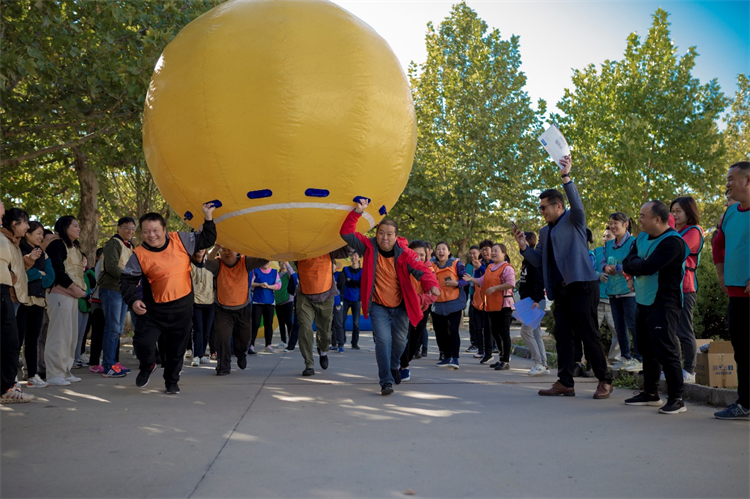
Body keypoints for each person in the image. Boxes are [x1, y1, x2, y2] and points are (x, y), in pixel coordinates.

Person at [513, 155, 612, 399]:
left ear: (558, 206)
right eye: (540, 208)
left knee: (589, 334)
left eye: (544, 207)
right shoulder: (544, 232)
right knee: (563, 335)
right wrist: (524, 247)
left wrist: (566, 177)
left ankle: (605, 379)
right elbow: (538, 261)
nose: (541, 211)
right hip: (561, 290)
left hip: (583, 285)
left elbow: (576, 204)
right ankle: (565, 382)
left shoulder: (574, 219)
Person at [340, 198, 440, 395]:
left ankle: (395, 365)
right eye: (381, 233)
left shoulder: (405, 254)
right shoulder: (368, 247)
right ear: (376, 234)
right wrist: (358, 212)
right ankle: (385, 381)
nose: (384, 238)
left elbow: (422, 270)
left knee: (400, 342)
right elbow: (346, 233)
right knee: (383, 342)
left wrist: (432, 285)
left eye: (389, 234)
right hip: (378, 306)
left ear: (396, 237)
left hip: (401, 306)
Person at [120, 204, 217, 393]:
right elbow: (126, 281)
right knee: (143, 344)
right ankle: (148, 365)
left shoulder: (180, 239)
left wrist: (207, 216)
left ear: (164, 229)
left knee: (176, 351)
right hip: (153, 312)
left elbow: (207, 238)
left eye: (156, 230)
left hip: (182, 310)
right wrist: (133, 300)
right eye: (146, 231)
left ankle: (171, 382)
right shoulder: (139, 254)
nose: (151, 235)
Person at [622, 200, 689, 415]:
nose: (639, 219)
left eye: (643, 216)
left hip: (664, 302)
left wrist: (637, 265)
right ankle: (650, 393)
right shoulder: (641, 237)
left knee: (666, 349)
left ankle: (677, 398)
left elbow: (649, 267)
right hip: (643, 299)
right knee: (645, 348)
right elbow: (627, 262)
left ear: (657, 219)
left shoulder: (673, 242)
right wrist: (637, 265)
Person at [712, 161, 750, 420]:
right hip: (737, 295)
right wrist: (722, 274)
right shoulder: (731, 213)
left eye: (731, 178)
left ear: (747, 181)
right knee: (743, 351)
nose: (726, 183)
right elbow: (717, 244)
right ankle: (745, 403)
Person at [205, 244, 267, 375]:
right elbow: (207, 262)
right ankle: (223, 366)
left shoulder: (246, 262)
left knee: (244, 339)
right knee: (223, 338)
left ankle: (241, 353)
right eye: (223, 250)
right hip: (223, 310)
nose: (226, 253)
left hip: (243, 308)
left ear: (237, 252)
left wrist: (246, 247)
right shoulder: (217, 264)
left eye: (229, 250)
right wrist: (216, 247)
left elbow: (265, 260)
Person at [293, 246, 351, 377]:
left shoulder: (328, 247)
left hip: (326, 296)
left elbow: (347, 250)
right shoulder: (300, 248)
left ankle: (323, 351)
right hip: (305, 296)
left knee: (325, 332)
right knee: (305, 328)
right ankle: (309, 364)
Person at [45, 215, 87, 386]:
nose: (78, 229)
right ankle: (54, 373)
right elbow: (57, 270)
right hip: (61, 293)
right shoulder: (56, 244)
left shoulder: (74, 247)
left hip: (73, 295)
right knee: (59, 335)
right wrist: (72, 287)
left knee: (70, 336)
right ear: (65, 227)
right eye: (75, 226)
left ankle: (65, 370)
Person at [0, 205, 35, 403]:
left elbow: (14, 265)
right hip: (7, 294)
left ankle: (7, 386)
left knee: (11, 342)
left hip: (8, 293)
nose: (27, 227)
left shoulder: (12, 241)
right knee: (10, 342)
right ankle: (8, 386)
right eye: (25, 223)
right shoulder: (4, 238)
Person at [466, 243, 515, 370]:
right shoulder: (490, 267)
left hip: (504, 305)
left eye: (496, 251)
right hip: (491, 305)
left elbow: (510, 284)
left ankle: (505, 361)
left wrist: (495, 288)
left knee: (504, 333)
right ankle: (500, 357)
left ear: (503, 253)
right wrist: (471, 278)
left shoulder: (507, 268)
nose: (493, 253)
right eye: (492, 251)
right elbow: (481, 281)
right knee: (495, 333)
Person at [670, 196, 703, 384]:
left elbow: (677, 251)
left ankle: (689, 370)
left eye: (678, 211)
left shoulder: (694, 231)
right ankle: (673, 368)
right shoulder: (673, 232)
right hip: (670, 287)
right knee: (670, 331)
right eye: (672, 211)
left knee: (684, 330)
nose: (674, 214)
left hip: (686, 287)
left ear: (688, 212)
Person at [602, 212, 641, 373]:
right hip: (613, 291)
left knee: (634, 325)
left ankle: (639, 358)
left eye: (616, 223)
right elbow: (603, 260)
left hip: (629, 291)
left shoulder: (633, 242)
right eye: (611, 223)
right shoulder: (609, 244)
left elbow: (634, 263)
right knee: (619, 327)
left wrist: (617, 268)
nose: (612, 226)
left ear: (626, 224)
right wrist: (605, 267)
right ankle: (625, 357)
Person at [17, 221, 54, 388]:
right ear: (28, 234)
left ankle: (33, 375)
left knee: (33, 339)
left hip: (39, 301)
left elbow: (50, 277)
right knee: (16, 340)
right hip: (22, 299)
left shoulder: (44, 255)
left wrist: (38, 275)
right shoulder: (19, 249)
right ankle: (11, 377)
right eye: (38, 233)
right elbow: (23, 273)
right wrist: (39, 273)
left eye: (42, 234)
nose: (41, 237)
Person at [99, 217, 136, 379]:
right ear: (118, 228)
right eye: (127, 228)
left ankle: (113, 362)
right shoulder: (114, 243)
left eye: (133, 229)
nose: (130, 231)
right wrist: (129, 278)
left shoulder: (130, 245)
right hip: (111, 289)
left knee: (118, 329)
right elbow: (112, 266)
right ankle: (108, 366)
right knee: (112, 328)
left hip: (122, 290)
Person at [398, 240, 434, 381]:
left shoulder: (428, 270)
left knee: (415, 343)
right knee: (402, 339)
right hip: (403, 309)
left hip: (421, 310)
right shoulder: (401, 267)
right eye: (416, 255)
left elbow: (432, 293)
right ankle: (404, 366)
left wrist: (418, 301)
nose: (419, 258)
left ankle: (405, 361)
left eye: (422, 255)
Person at [431, 241, 469, 370]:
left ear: (448, 252)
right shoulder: (431, 265)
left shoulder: (456, 264)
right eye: (438, 249)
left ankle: (455, 358)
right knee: (440, 332)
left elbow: (466, 280)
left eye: (443, 249)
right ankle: (446, 357)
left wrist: (456, 283)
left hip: (454, 302)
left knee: (453, 331)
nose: (441, 251)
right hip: (437, 303)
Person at [516, 232, 549, 376]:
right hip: (528, 302)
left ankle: (539, 363)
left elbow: (539, 282)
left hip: (535, 302)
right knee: (535, 334)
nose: (520, 243)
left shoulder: (534, 260)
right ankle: (544, 365)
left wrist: (536, 300)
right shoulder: (525, 262)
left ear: (529, 242)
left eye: (523, 240)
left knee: (525, 332)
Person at [593, 227, 621, 366]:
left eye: (608, 236)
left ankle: (614, 361)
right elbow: (587, 269)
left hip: (613, 300)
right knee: (591, 332)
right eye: (603, 236)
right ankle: (590, 362)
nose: (604, 238)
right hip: (597, 300)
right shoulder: (596, 252)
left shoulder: (619, 252)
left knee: (618, 332)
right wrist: (598, 275)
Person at [190, 248, 214, 366]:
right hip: (195, 302)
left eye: (203, 247)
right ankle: (196, 356)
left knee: (206, 330)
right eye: (198, 247)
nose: (200, 249)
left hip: (210, 302)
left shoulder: (210, 264)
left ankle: (202, 353)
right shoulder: (188, 264)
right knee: (198, 329)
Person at [250, 260, 281, 354]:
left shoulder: (274, 272)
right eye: (264, 260)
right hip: (257, 301)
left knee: (268, 324)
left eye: (268, 261)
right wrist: (259, 284)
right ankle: (251, 345)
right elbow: (249, 283)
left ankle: (268, 345)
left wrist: (269, 286)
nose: (266, 262)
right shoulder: (255, 271)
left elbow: (279, 285)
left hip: (269, 302)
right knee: (255, 323)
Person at [74, 253, 96, 369]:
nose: (83, 260)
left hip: (87, 306)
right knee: (75, 333)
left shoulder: (89, 273)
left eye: (84, 258)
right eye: (80, 258)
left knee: (81, 335)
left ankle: (78, 357)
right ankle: (72, 359)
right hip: (78, 303)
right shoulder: (75, 274)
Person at [341, 253, 362, 350]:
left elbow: (361, 284)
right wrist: (355, 283)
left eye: (355, 256)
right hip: (345, 298)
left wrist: (351, 281)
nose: (353, 258)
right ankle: (342, 340)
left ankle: (354, 343)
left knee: (356, 323)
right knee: (342, 321)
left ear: (359, 258)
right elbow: (344, 282)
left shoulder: (362, 271)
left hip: (356, 299)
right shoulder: (345, 269)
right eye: (352, 256)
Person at [464, 245, 481, 356]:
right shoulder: (468, 266)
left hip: (482, 296)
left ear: (479, 253)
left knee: (482, 323)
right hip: (472, 296)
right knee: (472, 322)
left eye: (474, 253)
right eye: (470, 253)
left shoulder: (482, 265)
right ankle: (474, 344)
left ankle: (482, 345)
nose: (472, 255)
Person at [274, 262, 295, 348]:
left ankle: (291, 341)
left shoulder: (288, 274)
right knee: (281, 322)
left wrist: (288, 265)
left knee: (289, 322)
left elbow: (293, 275)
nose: (283, 264)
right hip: (278, 301)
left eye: (284, 262)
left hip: (288, 301)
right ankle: (283, 341)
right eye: (281, 262)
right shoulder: (277, 274)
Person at [329, 262, 346, 352]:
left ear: (336, 266)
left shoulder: (340, 274)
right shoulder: (326, 275)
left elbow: (341, 285)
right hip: (328, 302)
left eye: (333, 265)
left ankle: (341, 344)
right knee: (331, 325)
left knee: (338, 324)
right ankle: (333, 343)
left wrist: (334, 283)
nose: (331, 266)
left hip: (337, 302)